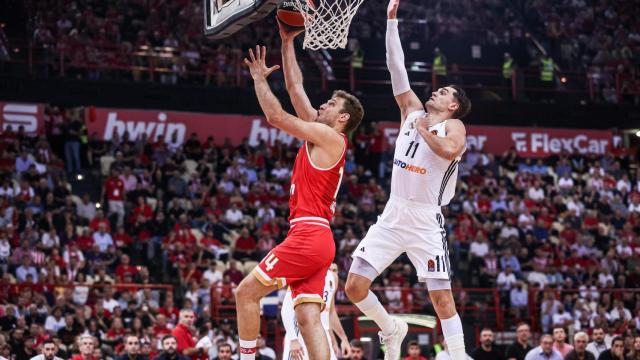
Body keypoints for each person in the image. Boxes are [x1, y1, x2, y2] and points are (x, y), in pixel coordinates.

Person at [344, 0, 472, 359]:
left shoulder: (454, 126)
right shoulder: (411, 111)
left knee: (441, 297)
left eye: (445, 92)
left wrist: (423, 130)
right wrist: (390, 22)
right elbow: (396, 67)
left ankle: (459, 355)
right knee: (354, 286)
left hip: (425, 219)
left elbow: (448, 151)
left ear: (453, 106)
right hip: (393, 214)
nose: (436, 91)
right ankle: (390, 326)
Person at [236, 36, 363, 360]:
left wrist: (259, 80)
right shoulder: (323, 133)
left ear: (343, 118)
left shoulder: (329, 136)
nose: (322, 106)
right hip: (318, 239)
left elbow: (276, 116)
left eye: (331, 105)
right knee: (307, 318)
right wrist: (287, 40)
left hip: (308, 235)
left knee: (246, 293)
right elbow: (294, 89)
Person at [282, 264, 351, 360]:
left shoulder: (333, 277)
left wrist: (343, 338)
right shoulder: (304, 274)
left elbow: (330, 312)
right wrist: (293, 339)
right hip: (301, 335)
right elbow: (286, 309)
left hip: (323, 335)